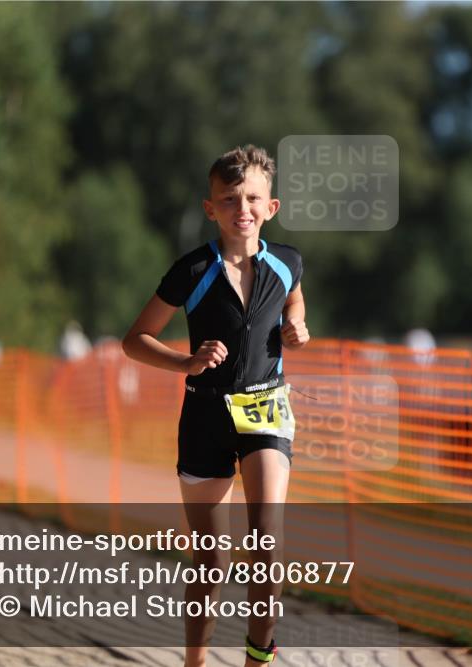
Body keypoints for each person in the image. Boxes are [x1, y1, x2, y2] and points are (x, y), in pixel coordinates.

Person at [122, 145, 309, 667]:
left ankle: (257, 660)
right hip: (205, 414)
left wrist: (298, 324)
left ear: (271, 208)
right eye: (229, 199)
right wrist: (185, 363)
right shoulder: (192, 269)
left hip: (266, 409)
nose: (241, 208)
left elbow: (294, 294)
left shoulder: (287, 261)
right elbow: (134, 339)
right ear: (211, 209)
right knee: (211, 561)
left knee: (266, 544)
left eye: (252, 198)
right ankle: (195, 662)